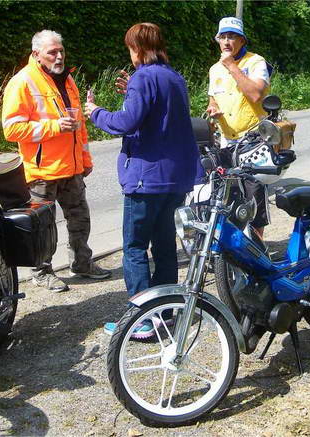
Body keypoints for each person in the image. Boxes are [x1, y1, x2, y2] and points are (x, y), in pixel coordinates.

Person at [84, 23, 199, 338]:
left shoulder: (143, 78)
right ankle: (166, 314)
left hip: (146, 179)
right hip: (175, 179)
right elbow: (156, 115)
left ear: (138, 48)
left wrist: (95, 112)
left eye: (131, 49)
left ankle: (143, 320)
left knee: (134, 247)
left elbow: (126, 122)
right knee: (163, 245)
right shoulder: (174, 78)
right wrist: (132, 92)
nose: (131, 55)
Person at [2, 30, 111, 292]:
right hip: (42, 170)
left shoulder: (67, 79)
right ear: (37, 54)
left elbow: (79, 126)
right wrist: (53, 127)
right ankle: (42, 272)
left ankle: (82, 263)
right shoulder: (23, 82)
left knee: (80, 219)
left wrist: (85, 158)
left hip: (71, 167)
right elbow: (12, 130)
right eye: (53, 52)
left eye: (61, 50)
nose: (59, 56)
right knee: (42, 227)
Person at [206, 16, 272, 239]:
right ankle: (235, 245)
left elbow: (255, 94)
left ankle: (257, 244)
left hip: (253, 140)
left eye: (232, 37)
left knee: (253, 194)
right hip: (227, 139)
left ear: (242, 41)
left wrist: (232, 66)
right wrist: (213, 109)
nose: (226, 41)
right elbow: (212, 99)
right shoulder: (215, 69)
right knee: (229, 194)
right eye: (222, 37)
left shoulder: (255, 62)